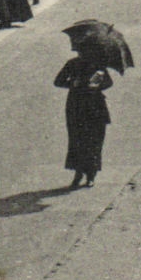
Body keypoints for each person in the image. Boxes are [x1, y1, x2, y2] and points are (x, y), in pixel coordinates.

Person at [54, 52, 112, 188]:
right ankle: (78, 173)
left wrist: (98, 84)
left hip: (95, 105)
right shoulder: (72, 64)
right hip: (77, 106)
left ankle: (91, 175)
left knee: (95, 140)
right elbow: (58, 81)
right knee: (77, 140)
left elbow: (109, 82)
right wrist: (72, 83)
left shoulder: (99, 65)